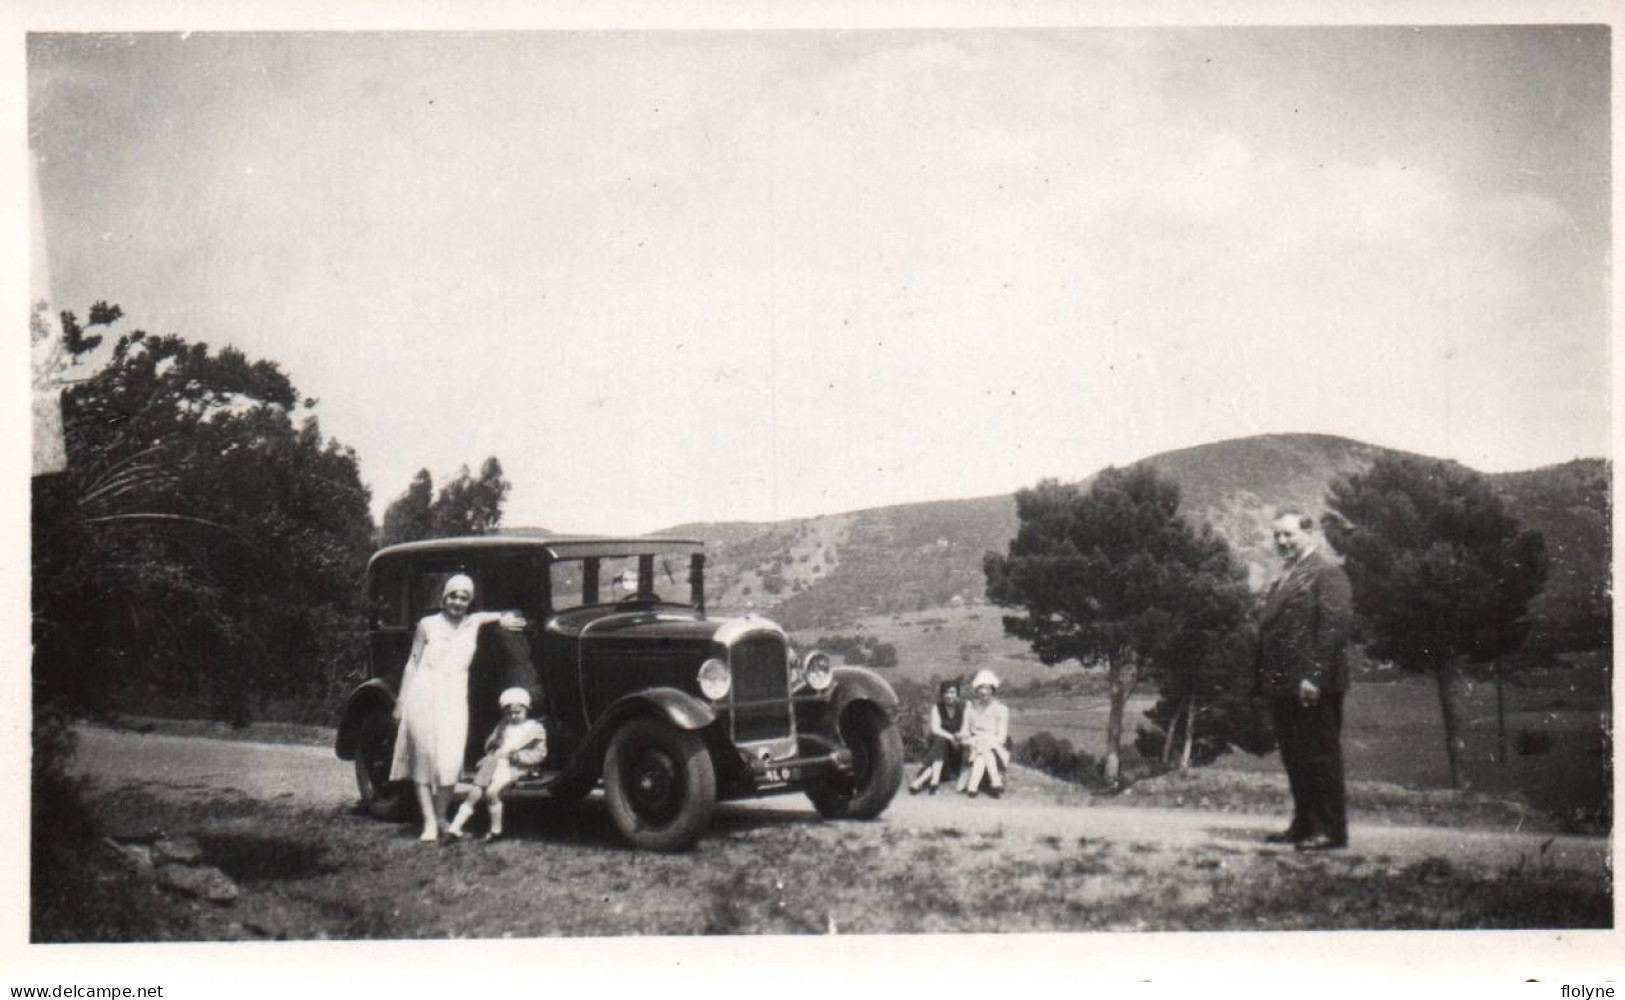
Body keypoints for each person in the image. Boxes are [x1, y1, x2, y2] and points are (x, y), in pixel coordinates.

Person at [390, 573, 527, 843]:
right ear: (444, 597)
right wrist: (401, 700)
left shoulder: (472, 622)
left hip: (454, 698)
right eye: (453, 595)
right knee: (423, 759)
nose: (457, 602)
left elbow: (491, 616)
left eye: (464, 597)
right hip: (422, 694)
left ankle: (442, 816)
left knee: (450, 761)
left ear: (470, 601)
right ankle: (430, 822)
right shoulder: (427, 624)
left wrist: (504, 618)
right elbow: (412, 662)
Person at [1256, 510, 1354, 851]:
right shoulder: (1289, 574)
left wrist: (1314, 676)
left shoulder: (1327, 573)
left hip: (1312, 685)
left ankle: (1330, 830)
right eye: (1277, 536)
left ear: (1309, 533)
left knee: (1320, 756)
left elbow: (1332, 629)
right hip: (1284, 684)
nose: (1281, 542)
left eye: (1288, 534)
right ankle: (1304, 825)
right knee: (1296, 757)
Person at [446, 687, 548, 842]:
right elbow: (489, 743)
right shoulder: (503, 725)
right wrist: (494, 744)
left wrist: (516, 756)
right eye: (509, 713)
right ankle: (454, 828)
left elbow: (539, 754)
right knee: (474, 792)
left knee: (492, 792)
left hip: (515, 766)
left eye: (518, 712)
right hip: (494, 762)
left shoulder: (535, 729)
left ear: (527, 709)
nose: (513, 716)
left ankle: (495, 830)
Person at [956, 669, 1009, 797]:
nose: (984, 692)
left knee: (983, 750)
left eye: (987, 688)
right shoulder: (970, 709)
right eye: (981, 688)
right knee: (982, 749)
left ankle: (972, 787)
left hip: (995, 747)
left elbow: (1001, 737)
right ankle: (995, 782)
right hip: (973, 744)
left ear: (992, 690)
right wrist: (966, 737)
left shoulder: (1002, 709)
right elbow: (964, 731)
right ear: (977, 690)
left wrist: (986, 741)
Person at [908, 679, 965, 794]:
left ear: (957, 693)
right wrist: (951, 737)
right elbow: (935, 729)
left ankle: (919, 782)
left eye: (953, 692)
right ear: (942, 694)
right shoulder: (937, 708)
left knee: (939, 748)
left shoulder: (963, 707)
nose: (949, 696)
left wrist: (958, 738)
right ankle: (933, 783)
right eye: (946, 693)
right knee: (940, 740)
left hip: (956, 751)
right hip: (942, 749)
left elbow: (966, 728)